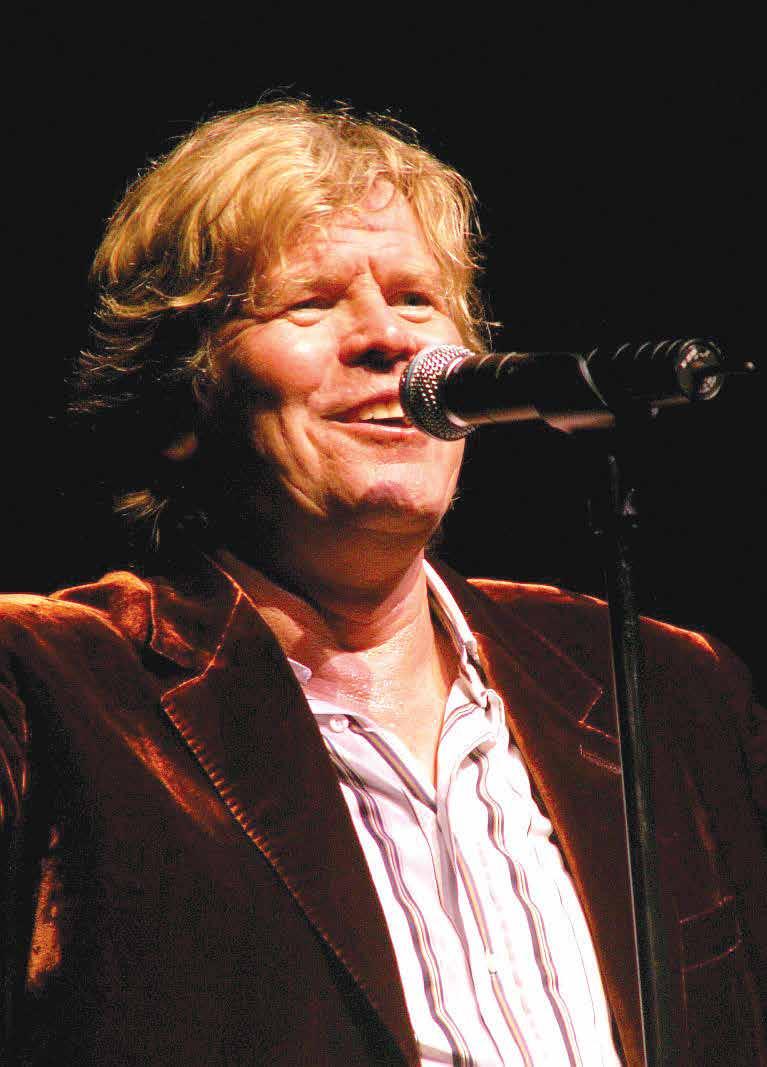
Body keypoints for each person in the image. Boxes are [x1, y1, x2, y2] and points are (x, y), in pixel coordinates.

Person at [1, 100, 765, 1066]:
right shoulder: (50, 687)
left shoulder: (668, 685)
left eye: (415, 298)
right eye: (308, 302)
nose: (388, 339)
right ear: (179, 399)